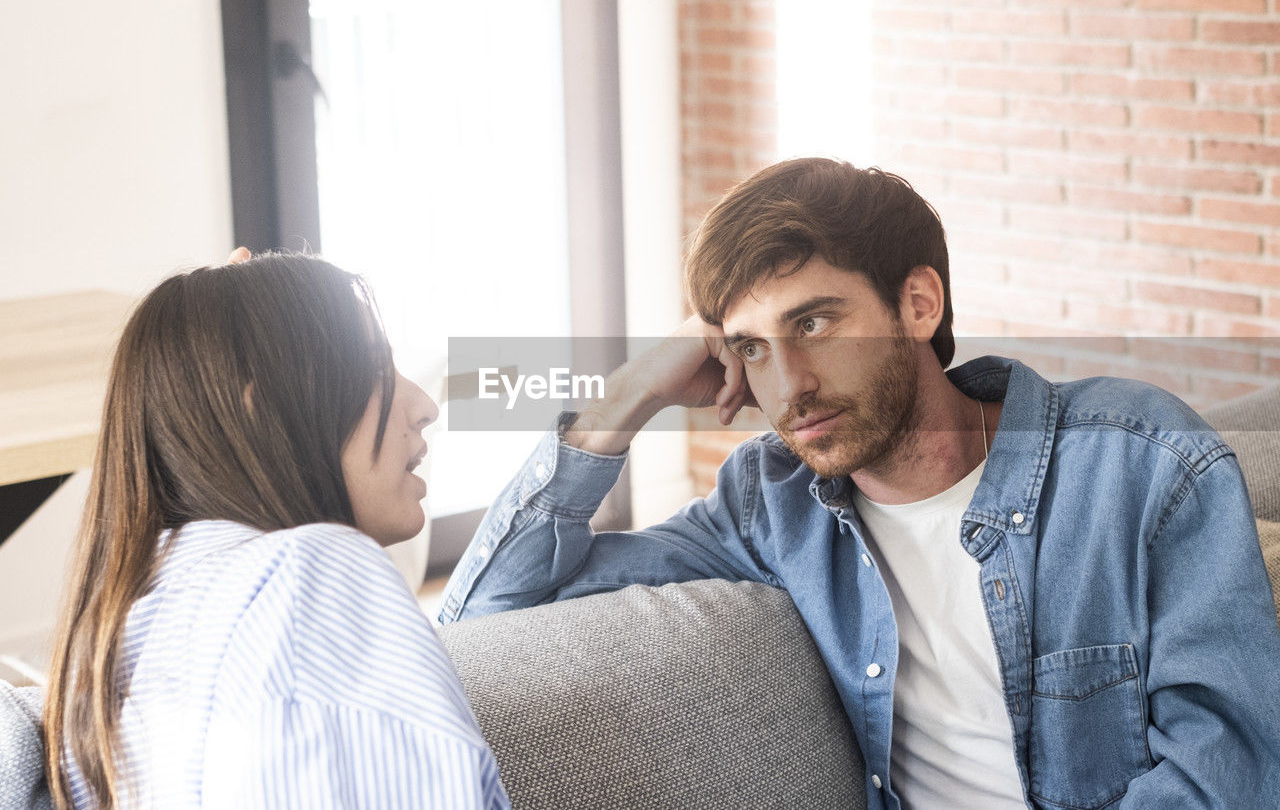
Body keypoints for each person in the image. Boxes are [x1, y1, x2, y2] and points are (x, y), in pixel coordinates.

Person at [440, 158, 1280, 808]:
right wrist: (627, 396)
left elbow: (1232, 773)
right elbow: (485, 615)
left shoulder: (1142, 463)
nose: (789, 385)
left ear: (918, 304)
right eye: (752, 347)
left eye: (814, 321)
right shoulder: (771, 503)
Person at [43, 254, 509, 808]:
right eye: (374, 371)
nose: (425, 406)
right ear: (258, 405)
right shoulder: (313, 573)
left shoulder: (111, 638)